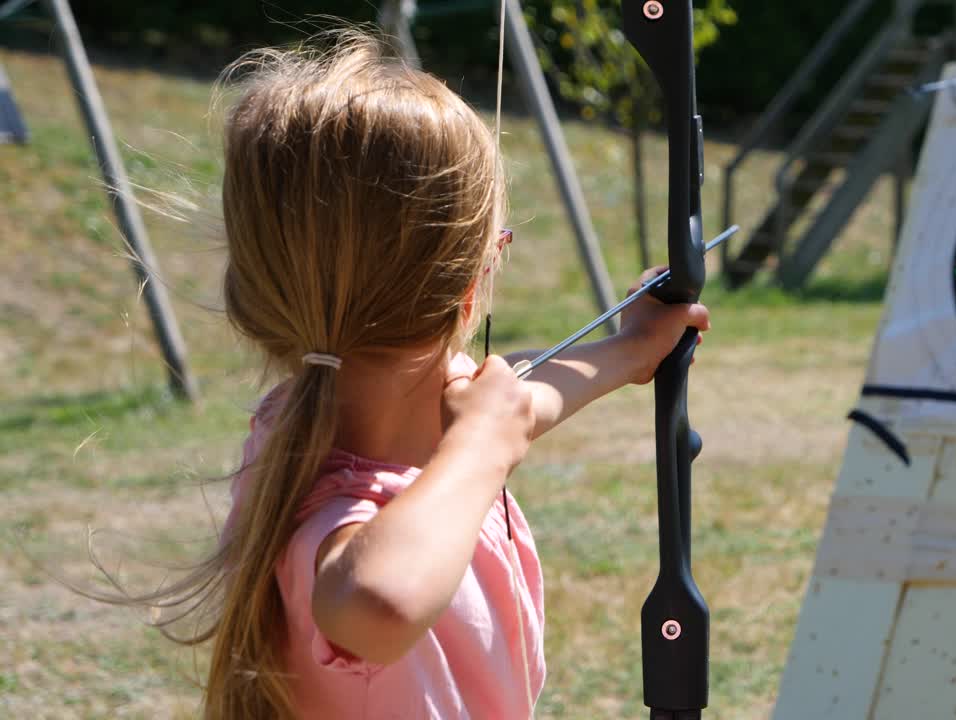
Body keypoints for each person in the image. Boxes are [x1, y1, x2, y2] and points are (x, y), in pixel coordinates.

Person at [108, 30, 709, 719]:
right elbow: (376, 602)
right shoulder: (340, 520)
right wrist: (483, 444)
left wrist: (631, 350)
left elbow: (515, 395)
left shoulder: (305, 421)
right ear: (471, 287)